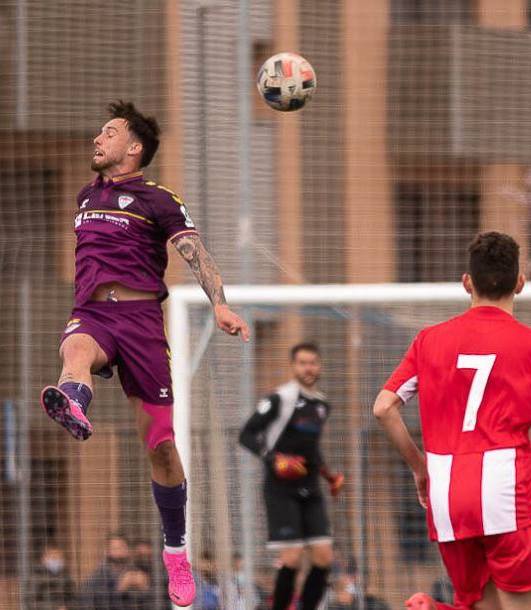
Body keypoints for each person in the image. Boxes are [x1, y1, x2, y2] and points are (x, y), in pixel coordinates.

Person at [40, 100, 249, 607]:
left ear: (133, 148)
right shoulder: (85, 195)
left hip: (141, 325)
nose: (97, 139)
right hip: (92, 313)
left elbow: (195, 253)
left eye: (108, 133)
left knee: (160, 445)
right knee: (75, 353)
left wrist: (219, 304)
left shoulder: (159, 199)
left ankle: (175, 552)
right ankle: (73, 404)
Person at [373, 232, 531, 610]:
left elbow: (383, 408)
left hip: (447, 494)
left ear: (467, 283)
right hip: (505, 493)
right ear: (520, 284)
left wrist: (420, 469)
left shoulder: (429, 340)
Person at [239, 343, 345, 610]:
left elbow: (311, 449)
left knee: (323, 558)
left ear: (319, 366)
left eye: (313, 363)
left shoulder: (322, 404)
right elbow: (246, 435)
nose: (308, 368)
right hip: (280, 490)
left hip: (310, 489)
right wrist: (275, 459)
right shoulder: (279, 399)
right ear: (293, 366)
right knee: (292, 558)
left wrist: (329, 476)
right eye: (303, 363)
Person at [80, 534, 153, 610]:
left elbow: (153, 602)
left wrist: (145, 589)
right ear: (106, 552)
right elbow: (90, 602)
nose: (119, 552)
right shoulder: (97, 577)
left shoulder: (136, 573)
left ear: (128, 550)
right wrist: (119, 589)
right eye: (115, 548)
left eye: (122, 547)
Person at [31, 544, 77, 610]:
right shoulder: (37, 577)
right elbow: (31, 601)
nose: (57, 561)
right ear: (44, 559)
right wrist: (54, 607)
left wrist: (67, 607)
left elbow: (73, 597)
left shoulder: (66, 576)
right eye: (54, 558)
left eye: (59, 558)